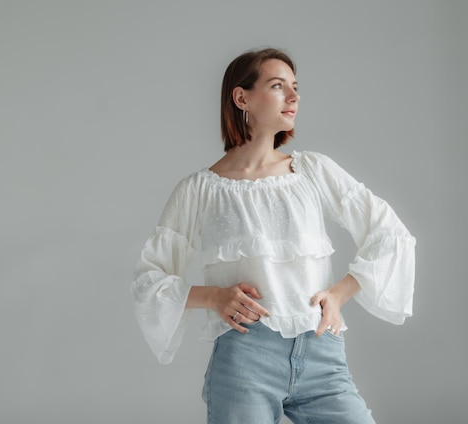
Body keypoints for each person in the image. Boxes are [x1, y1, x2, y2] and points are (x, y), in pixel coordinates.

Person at [130, 47, 415, 423]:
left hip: (321, 353)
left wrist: (340, 292)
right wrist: (214, 297)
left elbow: (390, 233)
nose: (294, 97)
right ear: (241, 96)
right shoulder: (199, 190)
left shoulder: (313, 171)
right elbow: (149, 280)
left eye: (295, 87)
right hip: (245, 360)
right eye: (278, 86)